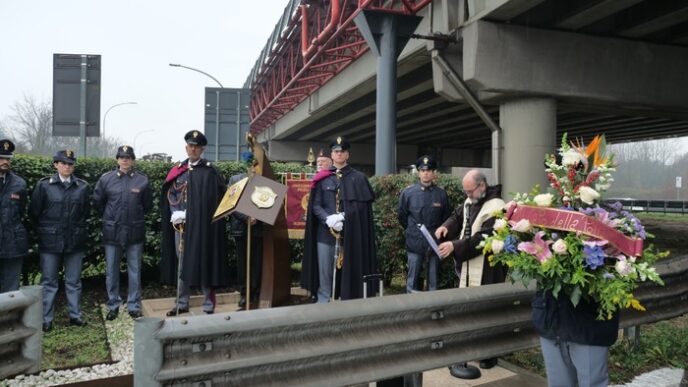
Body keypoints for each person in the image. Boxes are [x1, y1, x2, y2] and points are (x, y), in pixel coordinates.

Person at [436, 169, 506, 379]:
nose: (467, 195)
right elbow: (457, 216)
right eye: (465, 192)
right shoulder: (470, 200)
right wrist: (445, 227)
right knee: (469, 309)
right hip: (469, 266)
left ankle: (488, 355)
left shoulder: (497, 207)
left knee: (486, 310)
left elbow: (483, 239)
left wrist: (454, 246)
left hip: (489, 267)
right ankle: (471, 347)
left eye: (469, 191)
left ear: (482, 186)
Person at [159, 130, 229, 316]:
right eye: (191, 146)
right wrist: (176, 212)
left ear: (202, 149)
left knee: (204, 260)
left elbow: (218, 197)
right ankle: (182, 303)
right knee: (182, 263)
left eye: (197, 147)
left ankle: (208, 303)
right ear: (186, 147)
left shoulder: (210, 171)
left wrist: (199, 211)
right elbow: (172, 193)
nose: (193, 149)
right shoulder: (179, 169)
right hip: (181, 225)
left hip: (203, 227)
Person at [301, 136, 376, 302]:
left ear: (347, 155)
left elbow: (363, 208)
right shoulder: (323, 178)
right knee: (325, 272)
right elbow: (315, 205)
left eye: (342, 151)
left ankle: (348, 302)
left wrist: (344, 216)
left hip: (351, 235)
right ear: (332, 155)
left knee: (351, 271)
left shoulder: (359, 178)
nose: (339, 154)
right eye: (336, 151)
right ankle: (323, 303)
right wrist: (328, 219)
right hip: (325, 234)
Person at [30, 150, 91, 332]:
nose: (67, 167)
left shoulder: (82, 186)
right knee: (49, 281)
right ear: (55, 164)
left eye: (70, 164)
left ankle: (75, 315)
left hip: (74, 241)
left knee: (74, 281)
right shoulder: (44, 186)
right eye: (63, 163)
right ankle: (46, 318)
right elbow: (34, 212)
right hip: (50, 241)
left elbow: (85, 212)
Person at [93, 145, 153, 320]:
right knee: (112, 270)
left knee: (135, 269)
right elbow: (98, 203)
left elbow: (147, 205)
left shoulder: (142, 180)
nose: (125, 160)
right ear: (117, 159)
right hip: (113, 231)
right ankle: (113, 304)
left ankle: (134, 305)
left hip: (134, 231)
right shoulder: (106, 180)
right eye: (121, 157)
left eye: (128, 157)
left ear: (133, 160)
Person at [533, 291, 619, 387]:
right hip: (551, 318)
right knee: (558, 384)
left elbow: (628, 277)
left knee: (592, 383)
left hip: (590, 324)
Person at [397, 155, 450, 293]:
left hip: (433, 243)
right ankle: (410, 310)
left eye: (429, 170)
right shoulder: (408, 193)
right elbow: (402, 217)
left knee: (433, 282)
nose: (425, 173)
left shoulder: (441, 194)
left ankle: (433, 310)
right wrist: (412, 231)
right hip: (414, 242)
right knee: (412, 281)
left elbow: (446, 219)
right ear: (419, 172)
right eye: (422, 170)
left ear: (434, 173)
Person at [228, 151, 263, 308]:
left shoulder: (263, 180)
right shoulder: (235, 180)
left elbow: (268, 202)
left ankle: (255, 293)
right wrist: (246, 217)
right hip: (241, 228)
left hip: (258, 228)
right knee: (243, 264)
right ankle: (244, 294)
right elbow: (231, 204)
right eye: (249, 163)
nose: (252, 167)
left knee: (256, 263)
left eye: (254, 163)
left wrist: (257, 217)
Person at [0, 139, 29, 293]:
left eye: (8, 159)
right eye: (1, 158)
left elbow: (22, 210)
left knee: (11, 290)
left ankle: (9, 318)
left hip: (13, 244)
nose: (5, 162)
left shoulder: (19, 183)